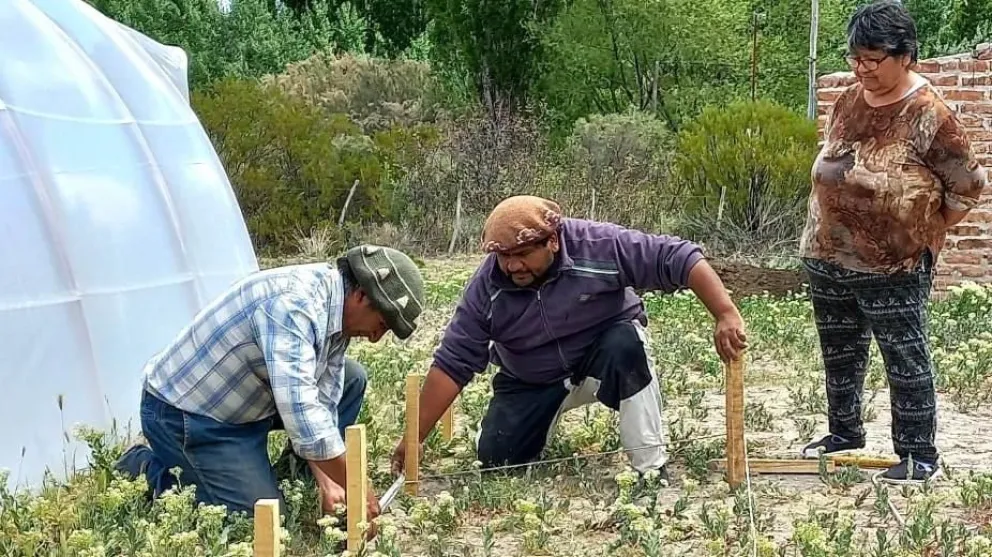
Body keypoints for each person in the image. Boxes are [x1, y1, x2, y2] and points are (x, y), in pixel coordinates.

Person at [390, 195, 748, 479]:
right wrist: (415, 436)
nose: (513, 266)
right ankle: (540, 423)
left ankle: (650, 468)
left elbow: (679, 257)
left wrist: (725, 313)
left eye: (523, 254)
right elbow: (453, 362)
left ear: (553, 241)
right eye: (504, 257)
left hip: (602, 360)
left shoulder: (599, 245)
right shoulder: (486, 289)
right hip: (531, 379)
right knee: (496, 461)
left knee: (626, 344)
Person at [798, 1, 988, 484]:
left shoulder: (931, 115)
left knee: (904, 357)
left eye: (872, 59)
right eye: (854, 58)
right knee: (839, 351)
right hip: (827, 252)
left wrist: (927, 230)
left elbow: (967, 186)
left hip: (894, 263)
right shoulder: (848, 98)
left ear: (905, 55)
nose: (861, 69)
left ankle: (919, 454)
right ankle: (844, 433)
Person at [114, 245, 426, 521]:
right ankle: (146, 467)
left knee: (352, 377)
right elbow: (301, 409)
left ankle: (290, 475)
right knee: (260, 523)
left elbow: (322, 402)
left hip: (249, 403)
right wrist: (358, 489)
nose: (375, 338)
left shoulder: (338, 310)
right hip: (190, 417)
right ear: (361, 296)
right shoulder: (294, 306)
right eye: (382, 325)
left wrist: (329, 481)